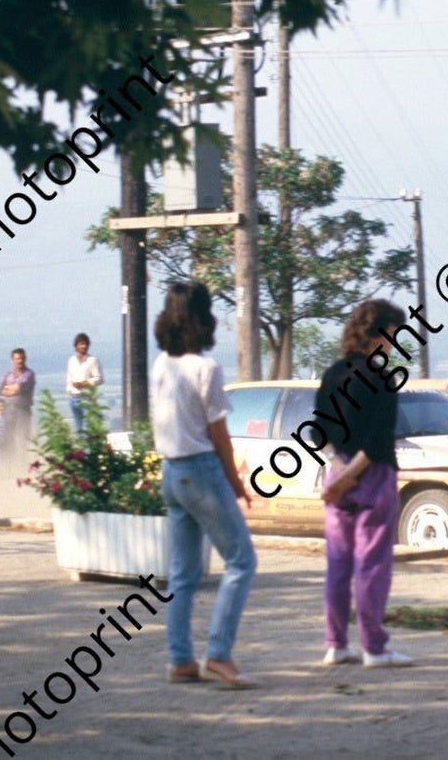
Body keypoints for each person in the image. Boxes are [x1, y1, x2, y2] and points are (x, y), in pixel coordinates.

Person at [150, 281, 258, 687]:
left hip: (171, 473)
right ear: (203, 318)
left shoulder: (162, 364)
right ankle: (218, 653)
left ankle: (180, 659)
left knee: (183, 573)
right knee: (242, 561)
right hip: (201, 471)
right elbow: (220, 436)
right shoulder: (206, 369)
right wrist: (236, 483)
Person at [317, 299, 415, 669]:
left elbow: (320, 432)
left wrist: (337, 473)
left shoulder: (332, 375)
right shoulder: (382, 378)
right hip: (372, 478)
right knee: (372, 565)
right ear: (380, 333)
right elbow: (376, 442)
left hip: (336, 474)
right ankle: (374, 646)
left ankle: (336, 643)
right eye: (393, 333)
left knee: (338, 564)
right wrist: (351, 474)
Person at [0, 348, 36, 459]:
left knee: (23, 438)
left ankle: (22, 465)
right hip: (8, 409)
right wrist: (15, 389)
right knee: (6, 438)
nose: (20, 361)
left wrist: (11, 389)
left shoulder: (29, 374)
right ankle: (6, 464)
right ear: (12, 360)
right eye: (17, 358)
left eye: (22, 358)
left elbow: (22, 388)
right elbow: (1, 390)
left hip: (23, 410)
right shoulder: (8, 375)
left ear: (25, 359)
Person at [65, 333, 104, 436]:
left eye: (86, 344)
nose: (84, 346)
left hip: (86, 397)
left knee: (88, 427)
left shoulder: (92, 360)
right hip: (74, 397)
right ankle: (80, 449)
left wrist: (86, 384)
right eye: (81, 344)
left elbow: (99, 378)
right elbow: (69, 377)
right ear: (76, 345)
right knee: (78, 427)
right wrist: (69, 390)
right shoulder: (72, 361)